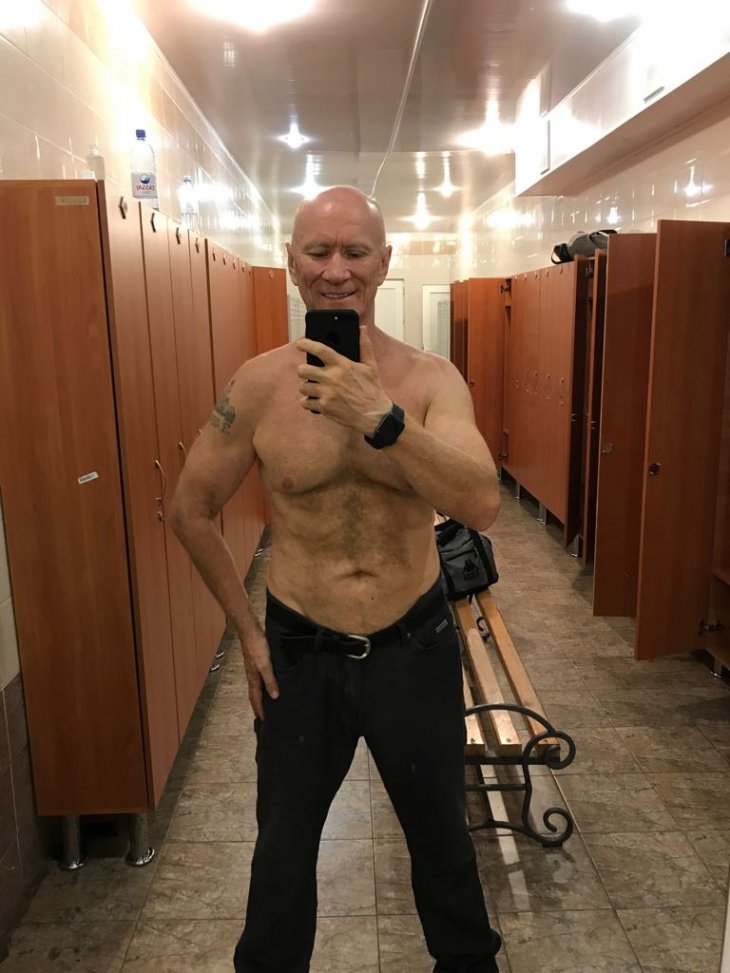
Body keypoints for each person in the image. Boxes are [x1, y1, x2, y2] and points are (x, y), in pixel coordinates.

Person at [169, 185, 502, 973]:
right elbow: (188, 507)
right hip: (299, 655)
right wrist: (246, 632)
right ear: (291, 263)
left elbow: (482, 501)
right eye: (318, 252)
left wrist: (380, 418)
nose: (337, 270)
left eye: (355, 252)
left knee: (444, 847)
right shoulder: (258, 386)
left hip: (413, 648)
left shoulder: (430, 380)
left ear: (384, 262)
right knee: (282, 857)